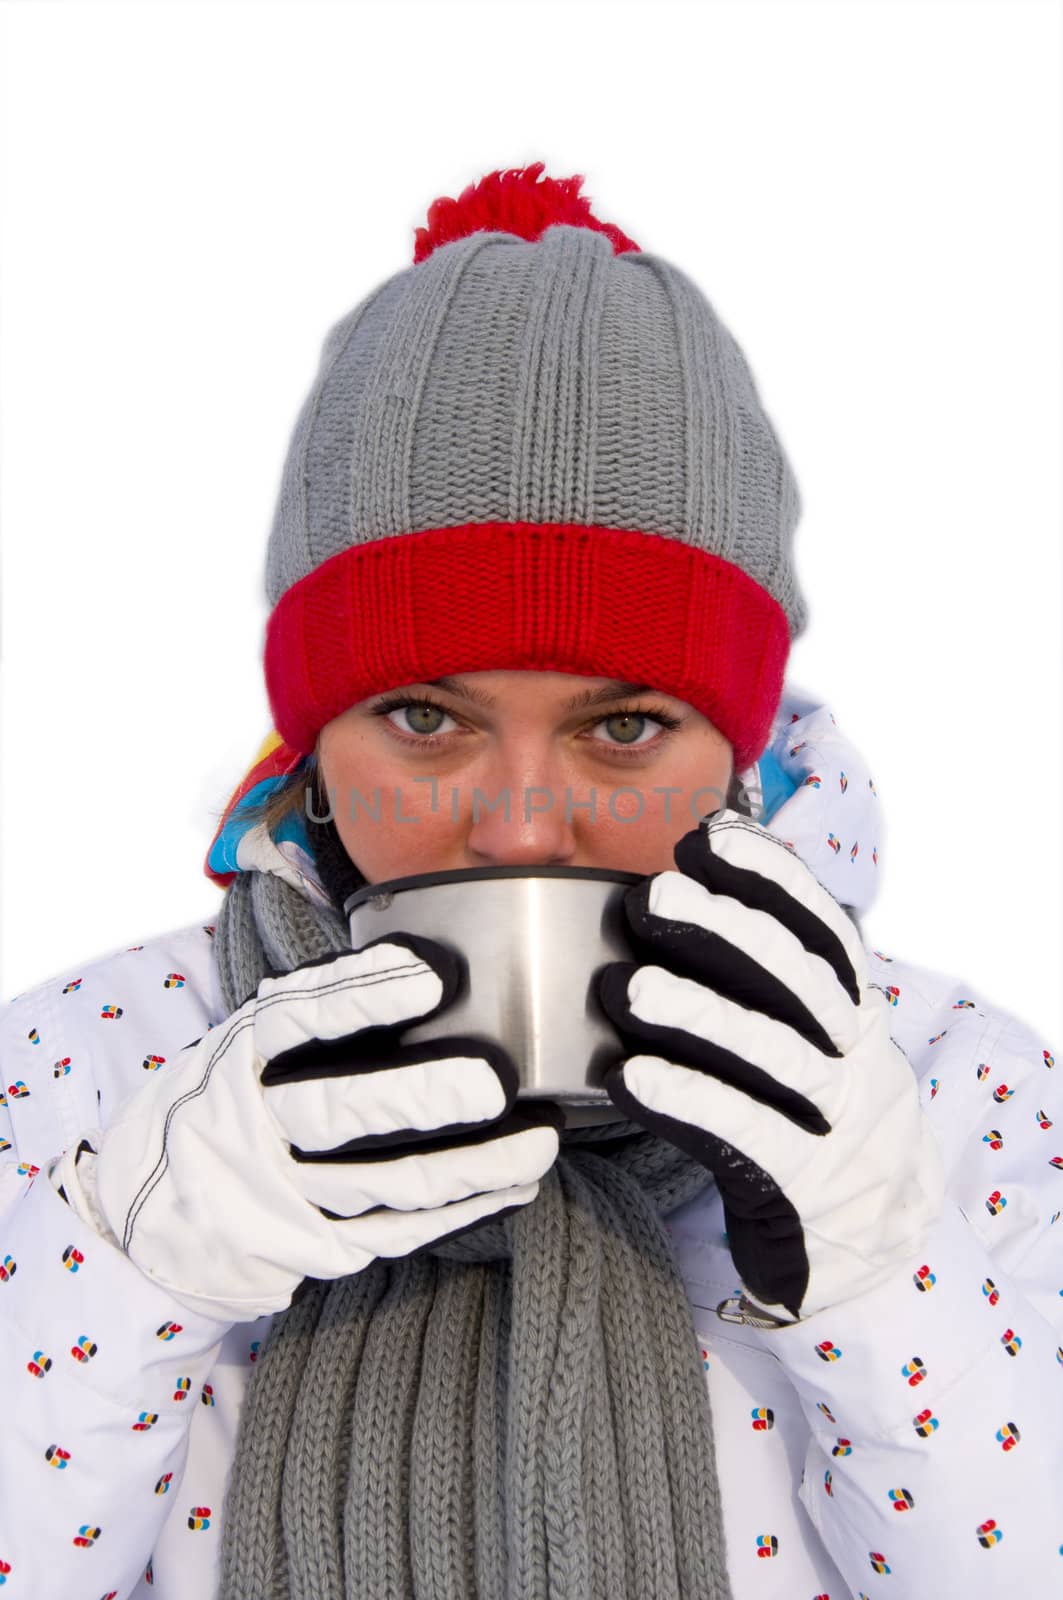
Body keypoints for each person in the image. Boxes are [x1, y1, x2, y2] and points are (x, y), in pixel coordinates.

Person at [0, 162, 1059, 1600]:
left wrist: (881, 1283)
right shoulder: (80, 1074)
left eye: (623, 728)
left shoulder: (959, 1091)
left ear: (740, 756)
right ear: (311, 745)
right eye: (425, 720)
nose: (514, 830)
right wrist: (129, 1275)